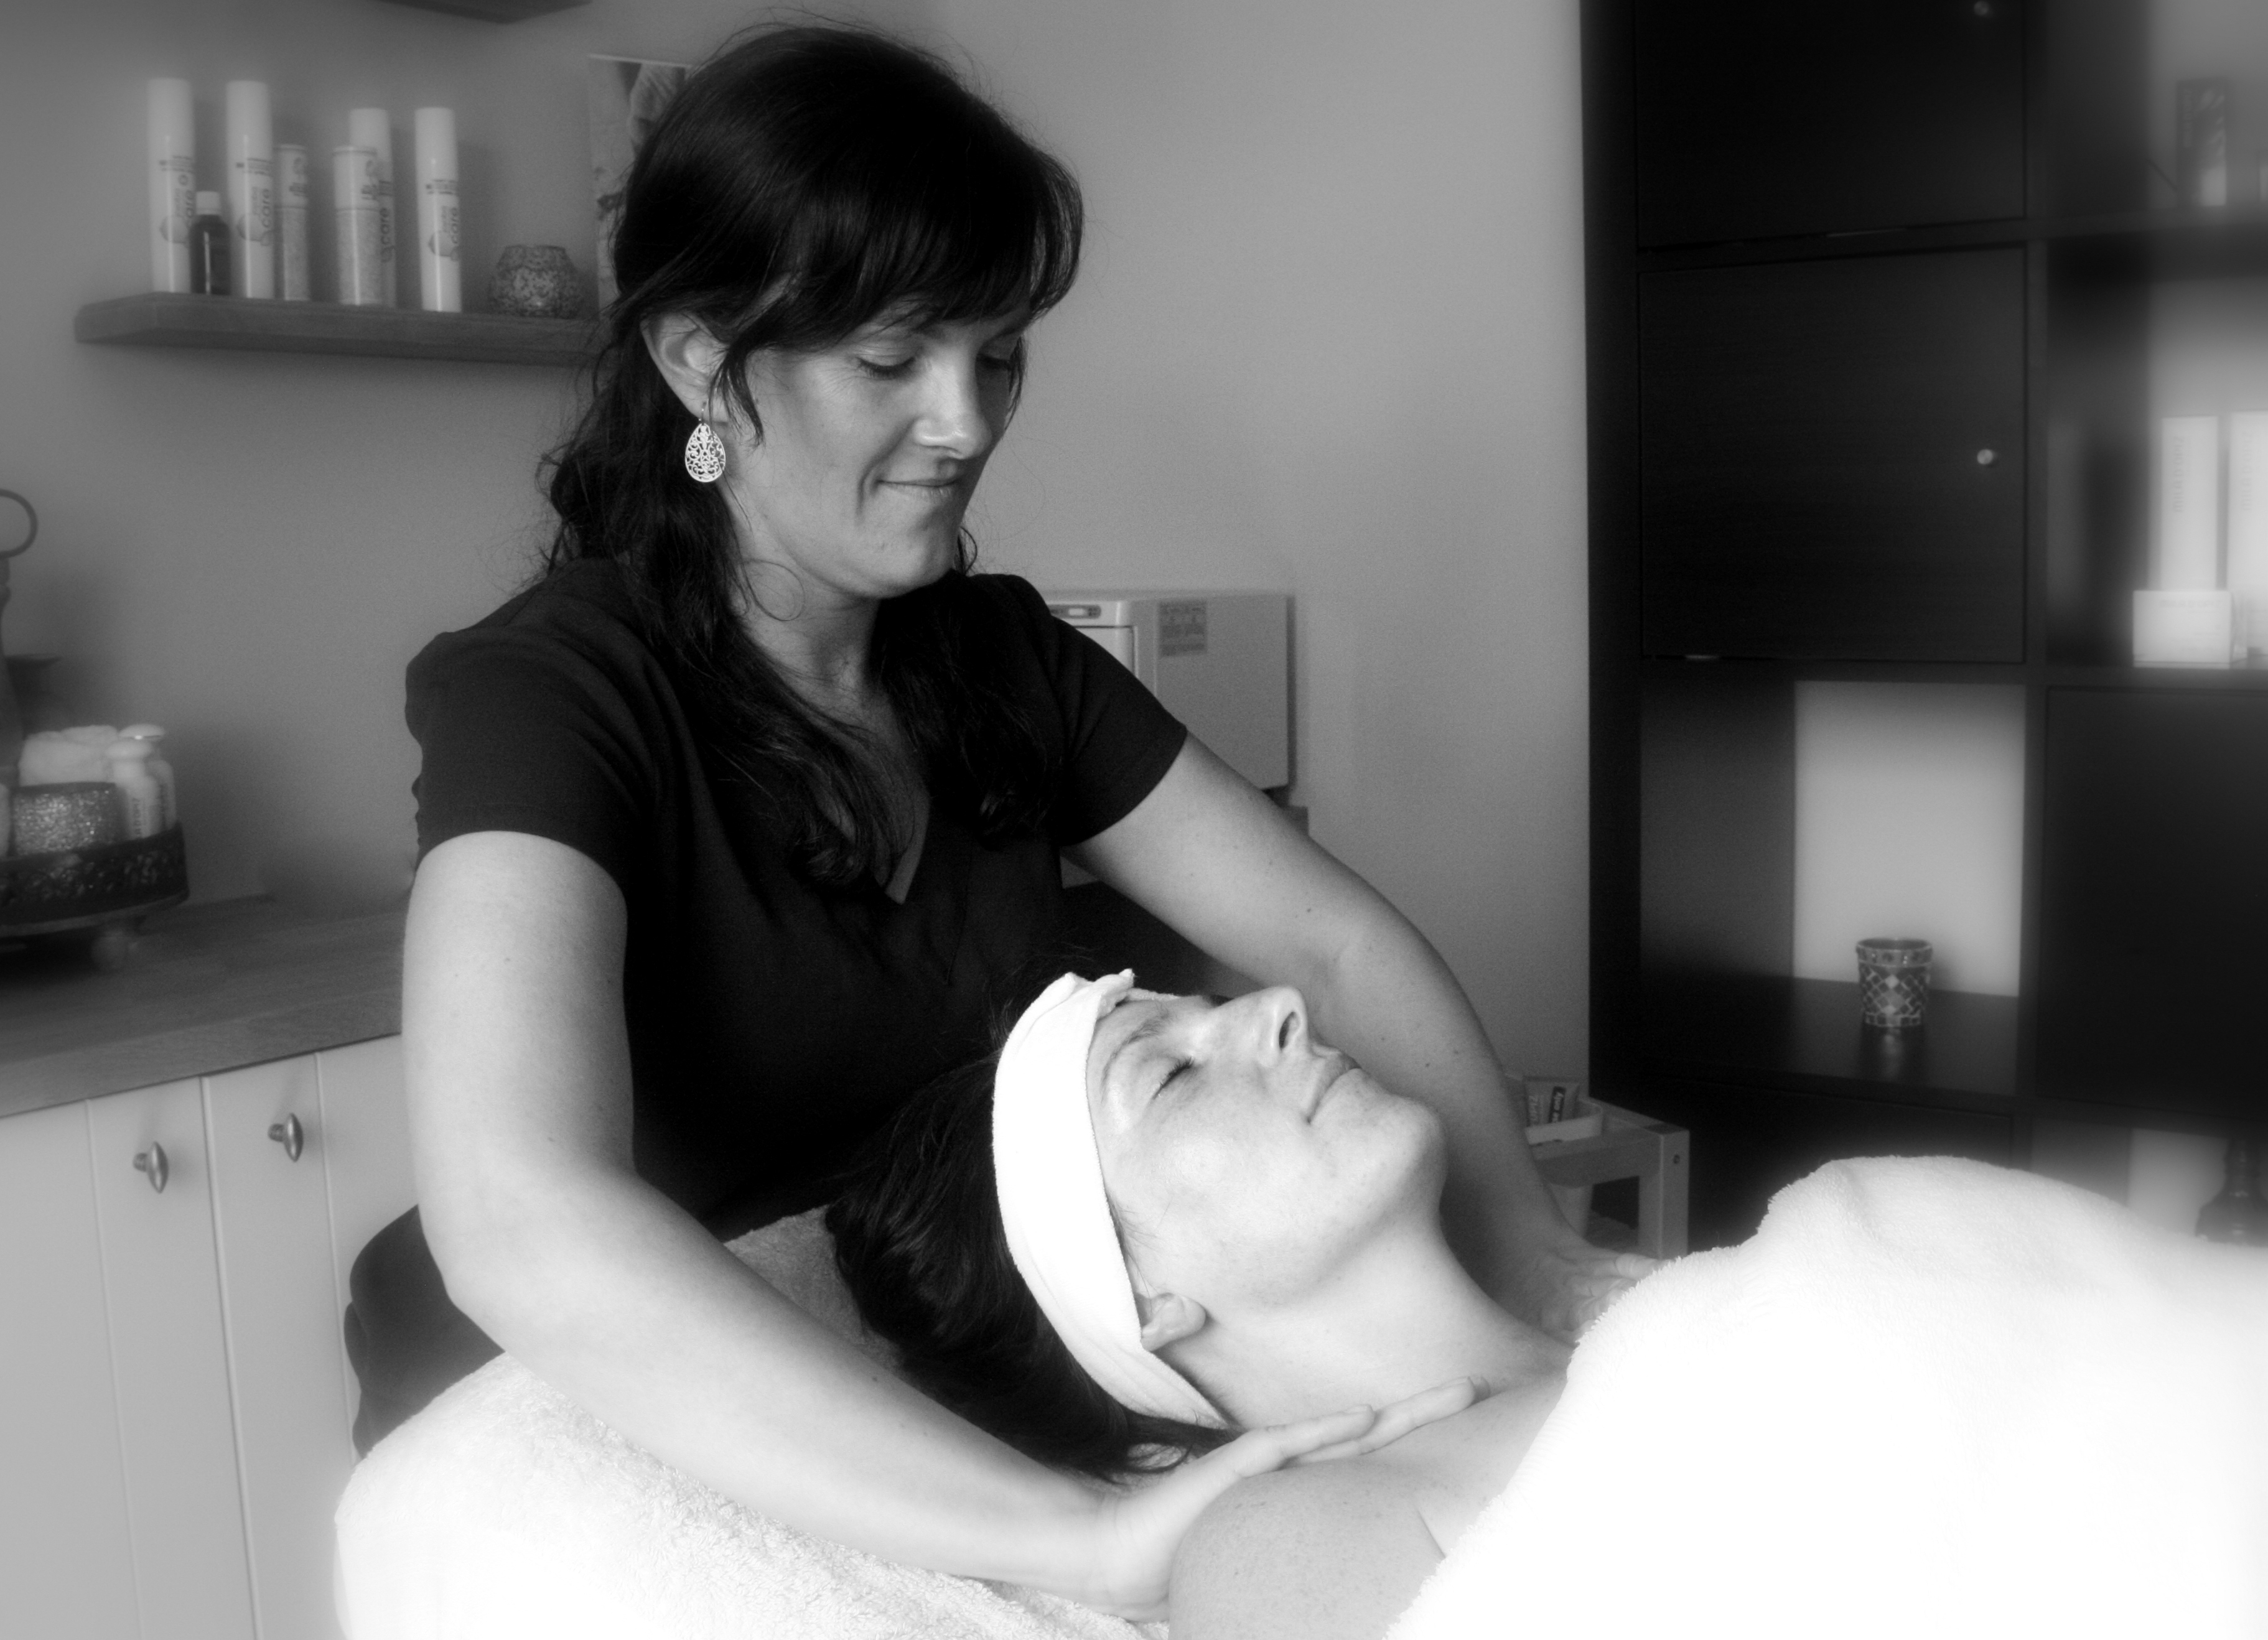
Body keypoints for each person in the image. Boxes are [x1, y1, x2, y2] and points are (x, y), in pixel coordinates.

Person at [345, 21, 1639, 1617]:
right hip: (685, 1385)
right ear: (698, 360)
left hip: (963, 1343)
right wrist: (1075, 1539)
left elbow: (1329, 945)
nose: (965, 421)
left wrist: (1534, 1265)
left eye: (998, 353)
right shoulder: (553, 694)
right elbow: (517, 1218)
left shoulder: (1002, 661)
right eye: (892, 360)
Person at [832, 971, 1580, 1638]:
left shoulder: (1628, 1327)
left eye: (1219, 1005)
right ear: (1140, 1299)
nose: (1280, 1003)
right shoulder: (1280, 1546)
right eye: (1174, 1073)